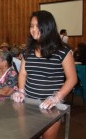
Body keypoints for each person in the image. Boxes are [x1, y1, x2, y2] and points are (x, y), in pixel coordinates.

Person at [12, 10, 77, 139]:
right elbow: (23, 73)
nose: (33, 29)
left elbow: (72, 78)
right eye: (31, 26)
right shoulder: (28, 50)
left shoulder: (63, 50)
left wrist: (56, 98)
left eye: (37, 26)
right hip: (28, 103)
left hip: (50, 107)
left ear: (48, 27)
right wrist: (21, 90)